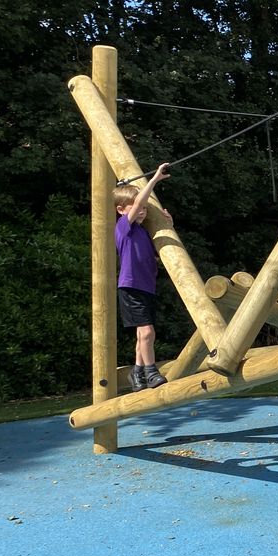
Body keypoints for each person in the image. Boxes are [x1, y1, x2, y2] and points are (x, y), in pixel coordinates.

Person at [113, 163, 172, 391]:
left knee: (142, 335)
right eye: (137, 208)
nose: (142, 210)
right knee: (148, 332)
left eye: (145, 209)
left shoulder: (143, 233)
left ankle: (136, 373)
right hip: (131, 286)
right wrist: (155, 178)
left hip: (147, 287)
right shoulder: (123, 228)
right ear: (121, 210)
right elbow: (138, 201)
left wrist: (168, 221)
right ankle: (151, 372)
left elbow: (151, 256)